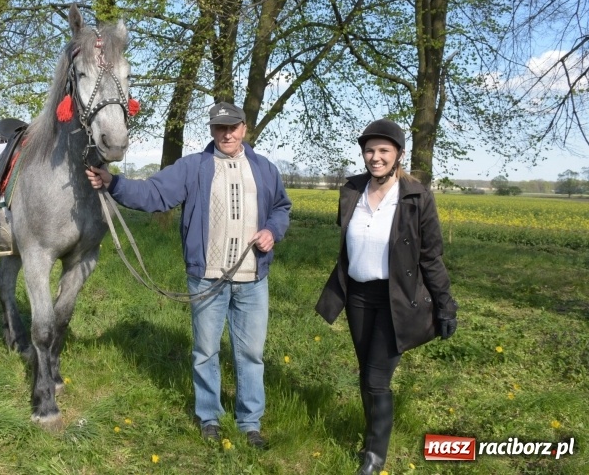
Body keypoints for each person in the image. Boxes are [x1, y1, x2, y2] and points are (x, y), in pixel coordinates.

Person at [86, 102, 291, 449]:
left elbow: (281, 208)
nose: (227, 134)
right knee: (206, 351)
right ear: (211, 130)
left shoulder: (265, 169)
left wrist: (272, 230)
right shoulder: (192, 167)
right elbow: (153, 193)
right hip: (207, 278)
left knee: (251, 355)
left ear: (244, 129)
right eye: (220, 127)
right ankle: (209, 417)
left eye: (233, 127)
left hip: (253, 278)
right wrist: (114, 182)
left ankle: (249, 422)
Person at [315, 119, 458, 475]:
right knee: (366, 373)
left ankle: (375, 457)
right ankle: (371, 440)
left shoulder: (416, 197)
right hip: (357, 296)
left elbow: (431, 257)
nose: (375, 157)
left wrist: (446, 305)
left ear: (399, 155)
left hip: (397, 300)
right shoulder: (352, 190)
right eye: (369, 150)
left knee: (377, 379)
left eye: (383, 150)